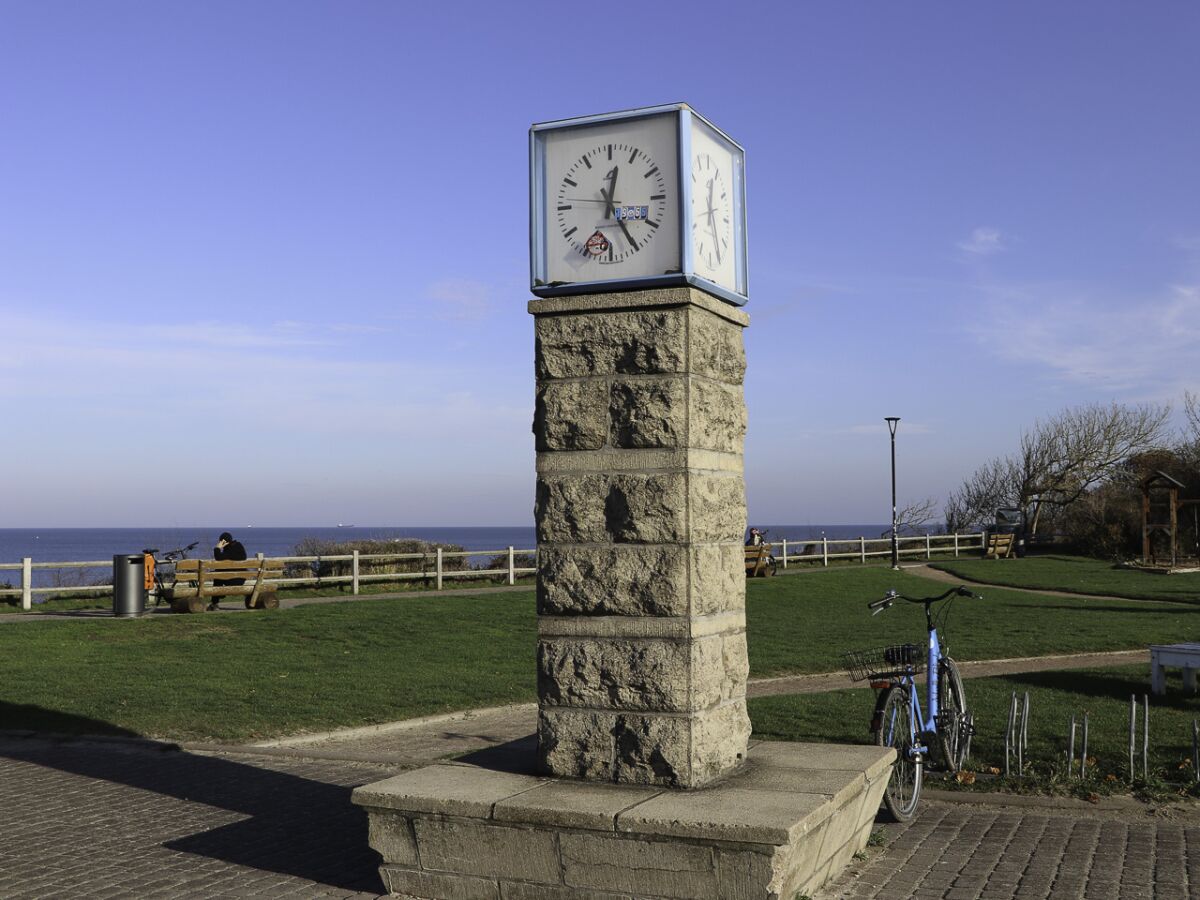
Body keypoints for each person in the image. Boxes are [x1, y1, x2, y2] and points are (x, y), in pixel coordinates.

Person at [210, 531, 247, 611]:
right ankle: (220, 594)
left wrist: (217, 548)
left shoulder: (229, 550)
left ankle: (215, 603)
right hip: (241, 579)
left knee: (217, 576)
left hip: (233, 580)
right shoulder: (239, 546)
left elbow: (218, 558)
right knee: (219, 574)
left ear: (223, 542)